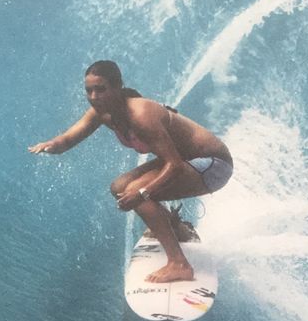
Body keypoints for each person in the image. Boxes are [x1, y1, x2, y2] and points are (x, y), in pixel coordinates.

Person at [28, 60, 233, 283]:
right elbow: (68, 139)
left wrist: (143, 192)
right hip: (185, 160)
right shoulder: (102, 113)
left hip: (213, 165)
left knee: (137, 192)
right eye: (89, 90)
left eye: (101, 89)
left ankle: (179, 264)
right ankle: (178, 229)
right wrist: (50, 145)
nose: (94, 96)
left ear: (117, 88)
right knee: (119, 188)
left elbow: (173, 165)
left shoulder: (140, 114)